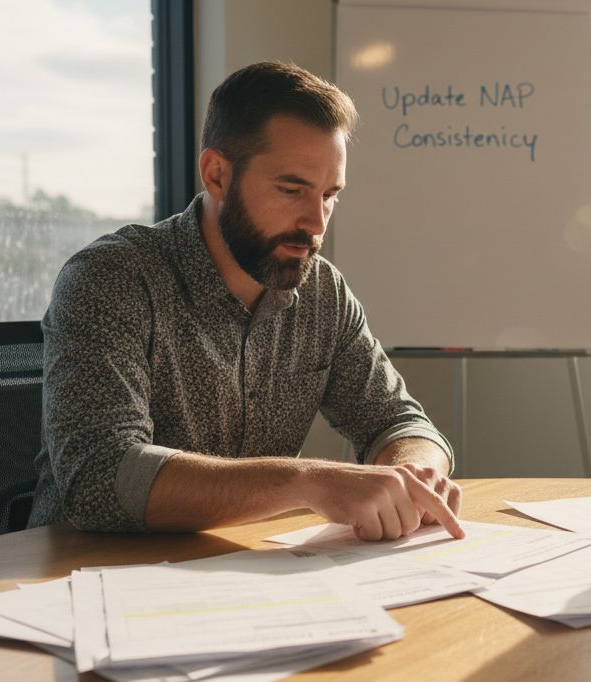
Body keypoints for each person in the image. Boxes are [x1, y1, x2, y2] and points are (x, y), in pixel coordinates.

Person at [31, 61, 463, 541]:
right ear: (217, 175)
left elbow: (400, 421)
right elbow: (99, 479)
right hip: (84, 571)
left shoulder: (322, 292)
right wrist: (309, 481)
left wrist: (415, 472)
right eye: (292, 190)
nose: (316, 223)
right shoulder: (111, 279)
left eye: (329, 195)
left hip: (238, 566)